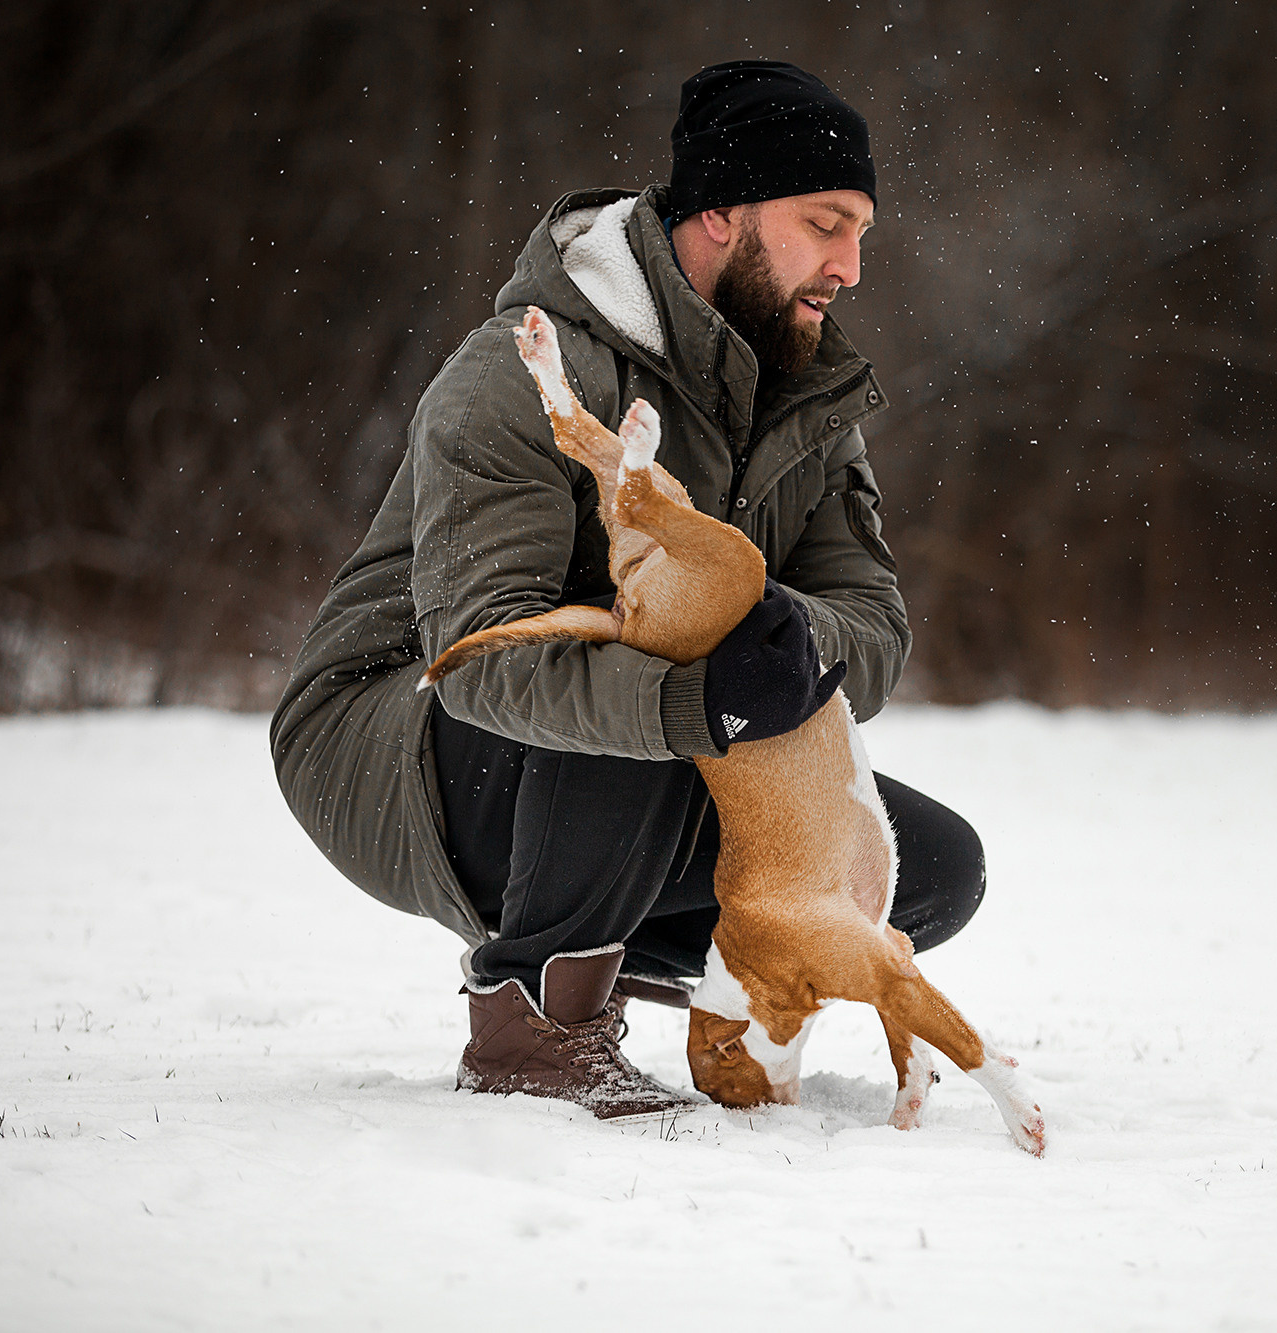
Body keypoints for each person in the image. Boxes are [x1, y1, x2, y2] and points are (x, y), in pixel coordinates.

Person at [269, 61, 985, 1120]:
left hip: (612, 746)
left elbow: (870, 633)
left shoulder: (810, 401)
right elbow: (487, 654)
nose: (851, 265)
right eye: (825, 223)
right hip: (397, 733)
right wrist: (705, 681)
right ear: (719, 213)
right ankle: (533, 1027)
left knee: (924, 867)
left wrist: (772, 636)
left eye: (862, 233)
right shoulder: (523, 373)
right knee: (655, 689)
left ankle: (679, 968)